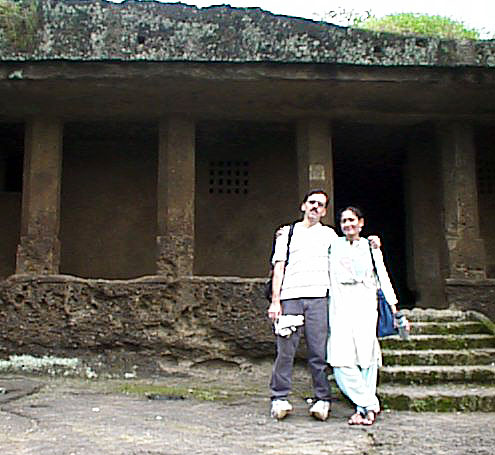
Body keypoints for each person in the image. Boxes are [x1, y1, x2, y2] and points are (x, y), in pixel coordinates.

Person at [267, 190, 380, 421]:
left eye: (320, 204)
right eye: (312, 202)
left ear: (325, 211)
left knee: (318, 352)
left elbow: (351, 245)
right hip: (290, 297)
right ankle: (279, 397)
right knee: (285, 351)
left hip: (319, 297)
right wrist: (275, 301)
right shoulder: (287, 233)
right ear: (303, 206)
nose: (315, 207)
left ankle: (322, 398)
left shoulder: (329, 236)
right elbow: (279, 267)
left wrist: (372, 242)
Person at [326, 206, 404, 426]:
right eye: (344, 221)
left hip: (366, 306)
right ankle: (370, 404)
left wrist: (394, 307)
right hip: (340, 305)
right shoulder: (333, 245)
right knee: (340, 359)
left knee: (367, 358)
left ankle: (363, 411)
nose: (348, 225)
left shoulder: (370, 247)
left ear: (361, 223)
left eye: (352, 220)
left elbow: (383, 276)